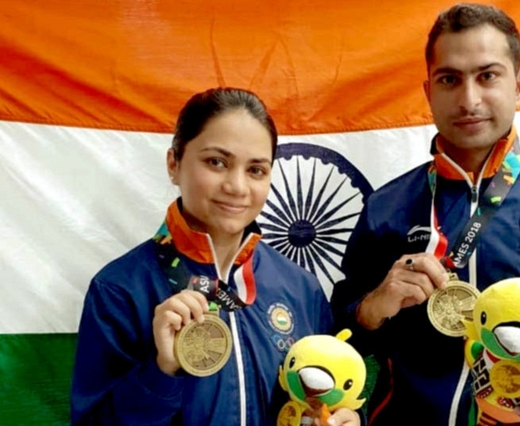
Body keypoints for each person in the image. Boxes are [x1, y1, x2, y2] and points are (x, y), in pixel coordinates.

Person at [331, 3, 520, 426]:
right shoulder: (386, 207)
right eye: (450, 80)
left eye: (487, 76)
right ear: (428, 92)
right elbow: (341, 329)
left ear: (519, 84)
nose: (469, 99)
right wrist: (371, 308)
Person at [71, 87, 361, 426]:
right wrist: (163, 370)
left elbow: (329, 395)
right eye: (217, 162)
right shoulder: (120, 290)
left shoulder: (300, 287)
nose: (237, 186)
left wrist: (345, 419)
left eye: (256, 170)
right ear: (174, 164)